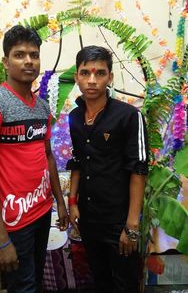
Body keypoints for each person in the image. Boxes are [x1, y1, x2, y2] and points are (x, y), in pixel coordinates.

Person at [0, 25, 68, 293]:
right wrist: (0, 240)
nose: (28, 61)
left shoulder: (41, 106)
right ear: (6, 62)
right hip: (13, 220)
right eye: (19, 54)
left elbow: (47, 155)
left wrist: (59, 202)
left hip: (40, 212)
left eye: (34, 55)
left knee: (34, 281)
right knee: (22, 287)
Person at [67, 45, 148, 293]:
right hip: (90, 219)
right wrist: (72, 202)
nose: (92, 80)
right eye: (85, 73)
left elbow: (139, 170)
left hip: (119, 221)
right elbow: (78, 162)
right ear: (77, 77)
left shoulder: (128, 116)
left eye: (100, 73)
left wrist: (131, 226)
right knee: (100, 281)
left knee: (125, 283)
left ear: (110, 77)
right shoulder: (74, 117)